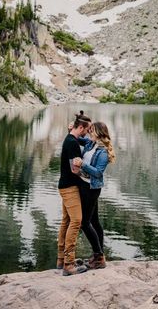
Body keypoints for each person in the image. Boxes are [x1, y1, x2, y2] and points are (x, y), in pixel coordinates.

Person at [73, 121, 115, 270]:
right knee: (95, 221)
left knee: (84, 222)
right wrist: (72, 129)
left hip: (91, 188)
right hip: (84, 185)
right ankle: (99, 254)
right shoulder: (91, 144)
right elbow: (77, 138)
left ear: (98, 133)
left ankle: (99, 256)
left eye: (92, 130)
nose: (89, 132)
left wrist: (82, 164)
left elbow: (98, 173)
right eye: (89, 130)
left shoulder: (103, 152)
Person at [57, 110, 91, 276]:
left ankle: (60, 259)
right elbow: (74, 169)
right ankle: (68, 264)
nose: (88, 132)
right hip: (70, 187)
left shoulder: (70, 138)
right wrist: (88, 175)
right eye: (87, 129)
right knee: (76, 221)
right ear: (82, 128)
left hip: (64, 185)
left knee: (66, 220)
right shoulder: (72, 143)